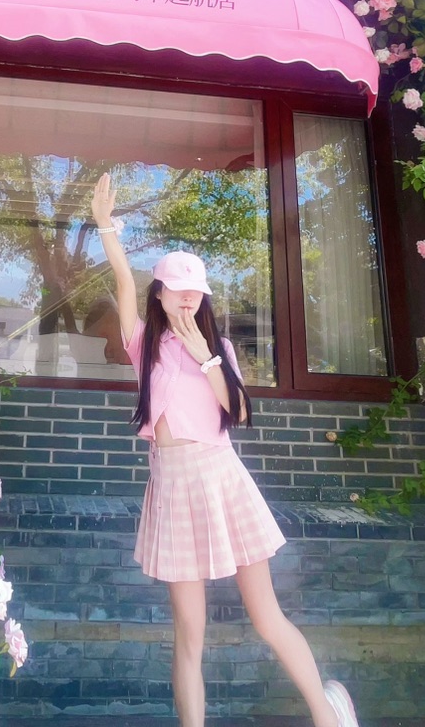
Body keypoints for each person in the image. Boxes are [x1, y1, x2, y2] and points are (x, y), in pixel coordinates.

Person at [91, 173, 360, 727]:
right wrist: (106, 228)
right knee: (189, 632)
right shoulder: (144, 345)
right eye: (176, 288)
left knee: (266, 616)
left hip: (221, 479)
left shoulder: (220, 348)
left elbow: (236, 413)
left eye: (196, 289)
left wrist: (207, 358)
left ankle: (328, 714)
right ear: (159, 293)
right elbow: (120, 280)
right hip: (172, 486)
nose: (188, 296)